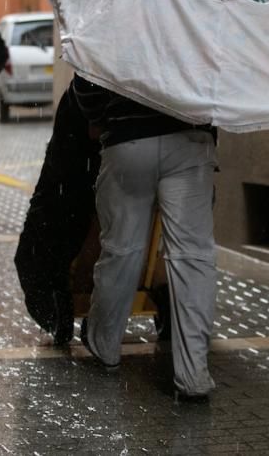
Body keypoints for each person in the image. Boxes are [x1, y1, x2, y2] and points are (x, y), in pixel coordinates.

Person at [72, 73, 218, 399]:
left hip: (128, 138)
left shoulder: (117, 20)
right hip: (190, 135)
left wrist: (99, 115)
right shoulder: (200, 20)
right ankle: (193, 376)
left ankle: (105, 345)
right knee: (193, 257)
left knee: (122, 250)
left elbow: (85, 80)